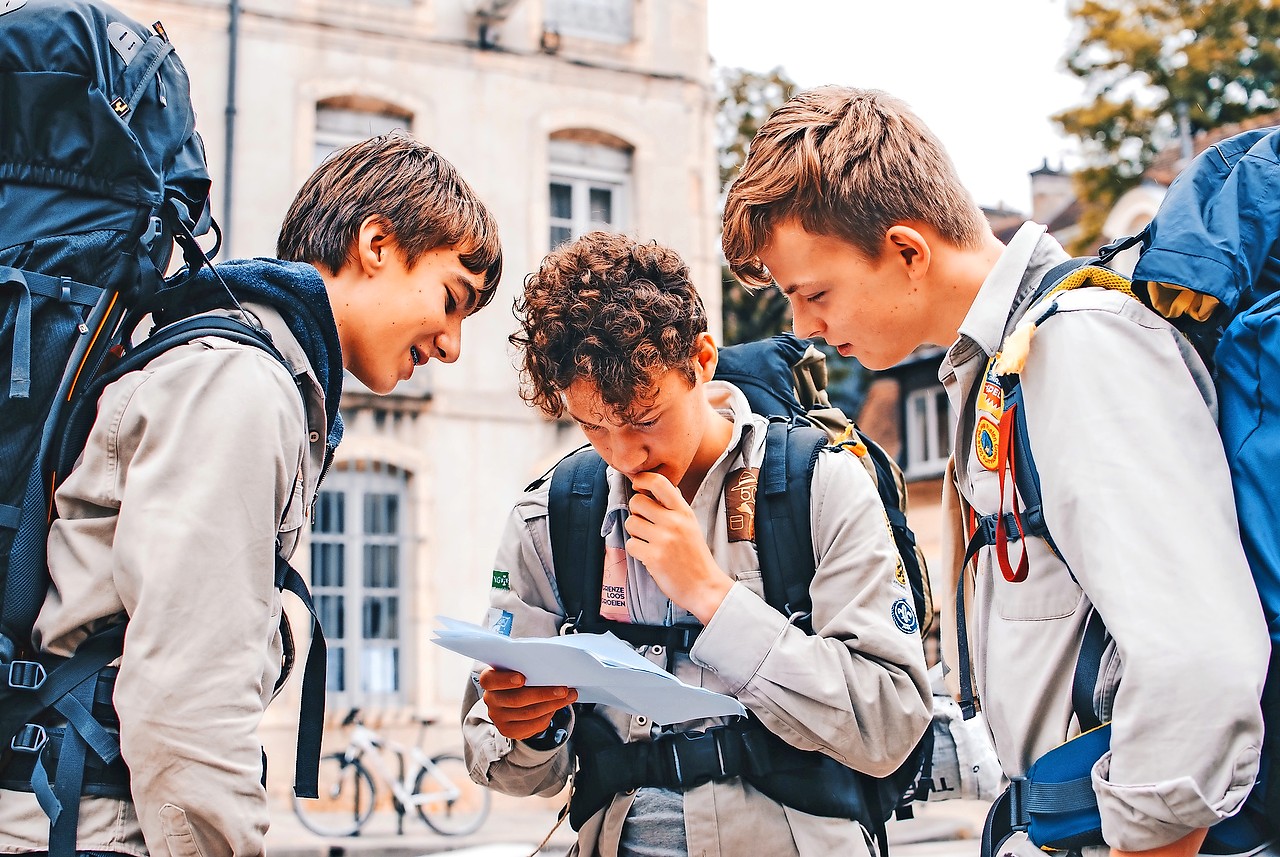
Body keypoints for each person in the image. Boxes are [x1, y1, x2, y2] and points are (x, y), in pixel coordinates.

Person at [721, 85, 1272, 857]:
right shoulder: (1001, 368)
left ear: (908, 250)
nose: (804, 327)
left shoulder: (1075, 347)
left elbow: (1200, 662)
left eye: (815, 293)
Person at [0, 131, 502, 857]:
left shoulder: (236, 365)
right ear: (376, 243)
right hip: (98, 825)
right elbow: (186, 703)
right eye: (453, 299)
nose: (453, 344)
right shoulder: (240, 384)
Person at [461, 231, 931, 857]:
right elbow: (495, 756)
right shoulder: (551, 515)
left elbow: (892, 723)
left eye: (646, 419)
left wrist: (713, 597)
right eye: (594, 426)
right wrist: (533, 731)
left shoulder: (817, 484)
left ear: (702, 360)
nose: (625, 454)